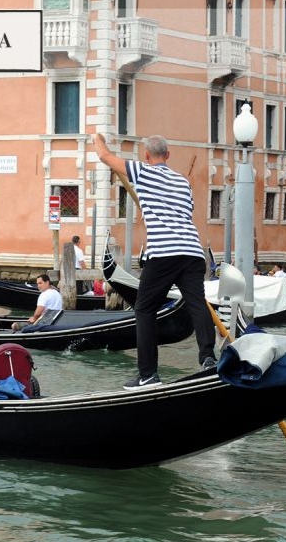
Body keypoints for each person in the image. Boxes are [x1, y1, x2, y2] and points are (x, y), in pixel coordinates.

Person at [93, 133, 216, 390]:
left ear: (146, 156)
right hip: (192, 251)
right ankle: (208, 359)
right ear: (168, 156)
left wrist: (97, 137)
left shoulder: (143, 171)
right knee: (197, 305)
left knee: (144, 309)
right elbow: (183, 212)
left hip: (164, 253)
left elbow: (105, 157)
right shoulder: (183, 182)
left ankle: (147, 375)